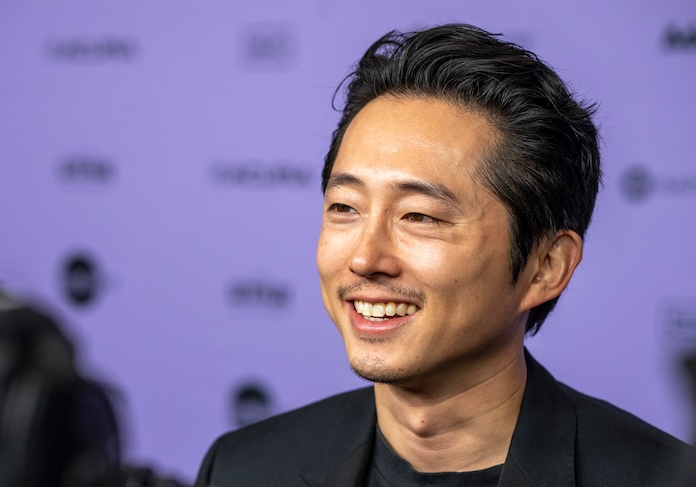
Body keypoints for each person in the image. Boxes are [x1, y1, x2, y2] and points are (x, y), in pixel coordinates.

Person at [196, 23, 687, 486]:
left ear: (546, 267)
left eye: (420, 217)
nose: (365, 259)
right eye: (345, 207)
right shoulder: (245, 468)